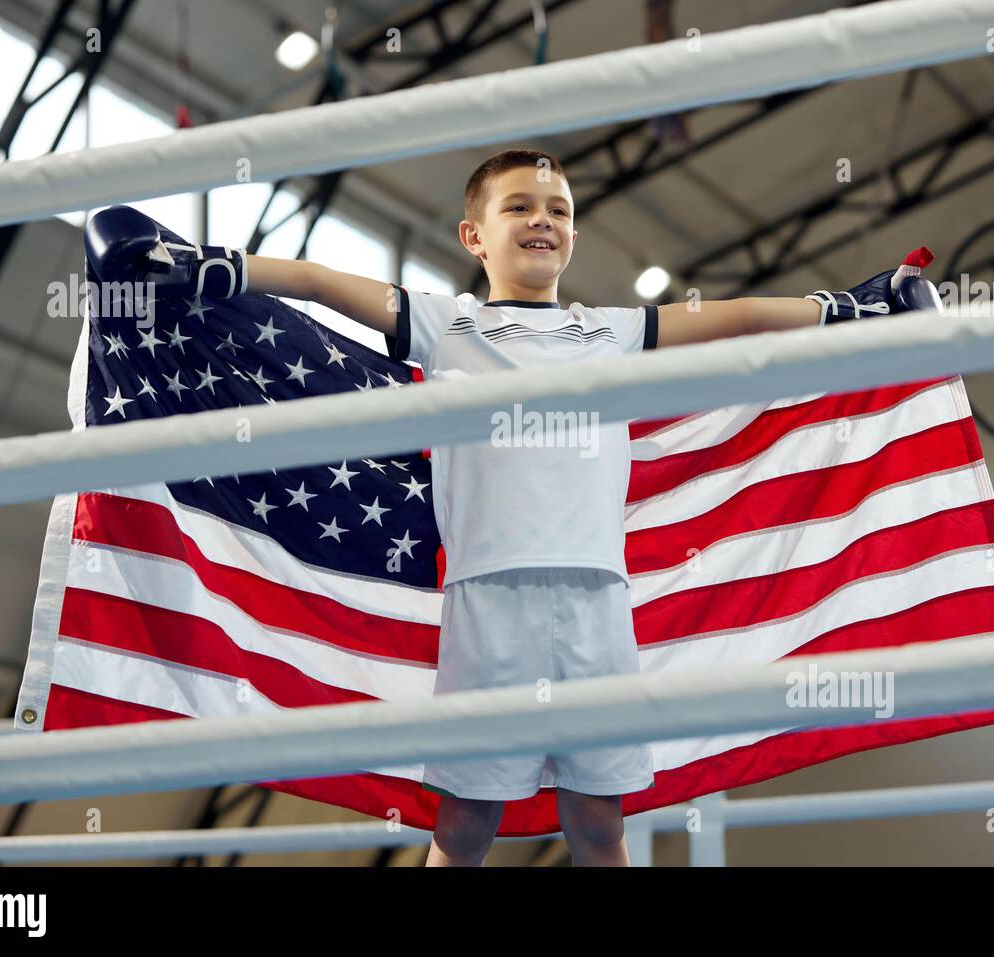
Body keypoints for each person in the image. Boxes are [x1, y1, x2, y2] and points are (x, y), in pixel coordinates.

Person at [84, 148, 936, 867]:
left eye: (559, 209)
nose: (542, 220)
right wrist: (220, 267)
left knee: (600, 822)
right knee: (463, 825)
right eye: (520, 205)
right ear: (474, 235)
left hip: (598, 602)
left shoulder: (610, 330)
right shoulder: (446, 325)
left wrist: (849, 306)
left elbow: (742, 315)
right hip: (487, 602)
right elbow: (318, 279)